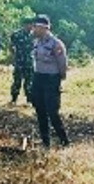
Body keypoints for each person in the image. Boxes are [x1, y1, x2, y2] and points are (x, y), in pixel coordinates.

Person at [31, 15, 70, 149]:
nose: (33, 29)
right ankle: (45, 141)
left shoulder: (56, 44)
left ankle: (64, 140)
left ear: (44, 28)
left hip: (51, 79)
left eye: (36, 27)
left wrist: (59, 79)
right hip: (38, 77)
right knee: (40, 110)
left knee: (52, 111)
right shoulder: (37, 42)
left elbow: (62, 64)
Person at [10, 18, 34, 104]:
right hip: (19, 61)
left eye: (31, 24)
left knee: (29, 82)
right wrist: (13, 58)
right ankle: (14, 99)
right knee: (17, 81)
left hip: (30, 62)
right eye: (29, 24)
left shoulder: (34, 35)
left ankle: (29, 100)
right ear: (25, 24)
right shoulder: (16, 35)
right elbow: (11, 47)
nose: (30, 26)